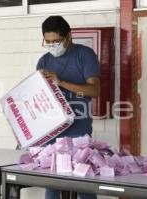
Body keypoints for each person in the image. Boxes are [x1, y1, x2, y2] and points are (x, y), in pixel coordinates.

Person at [37, 16, 100, 199]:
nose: (52, 45)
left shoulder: (84, 55)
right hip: (52, 135)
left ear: (68, 37)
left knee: (84, 186)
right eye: (47, 42)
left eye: (56, 41)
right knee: (52, 187)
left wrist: (61, 82)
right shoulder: (43, 61)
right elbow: (41, 99)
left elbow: (94, 90)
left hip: (78, 134)